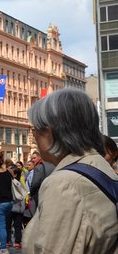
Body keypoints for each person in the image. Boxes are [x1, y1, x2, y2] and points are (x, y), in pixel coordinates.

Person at [22, 89, 118, 253]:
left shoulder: (64, 184)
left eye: (34, 130)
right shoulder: (99, 166)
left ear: (50, 132)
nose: (34, 137)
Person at [26, 150, 54, 219]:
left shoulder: (38, 167)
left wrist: (31, 193)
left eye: (34, 158)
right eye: (32, 158)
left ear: (39, 157)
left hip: (39, 195)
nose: (32, 160)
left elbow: (35, 183)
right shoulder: (52, 165)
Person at [6, 166, 24, 250]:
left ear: (15, 174)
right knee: (17, 226)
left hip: (11, 206)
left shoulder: (12, 182)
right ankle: (17, 242)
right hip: (19, 207)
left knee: (8, 225)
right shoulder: (20, 183)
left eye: (9, 173)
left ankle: (9, 241)